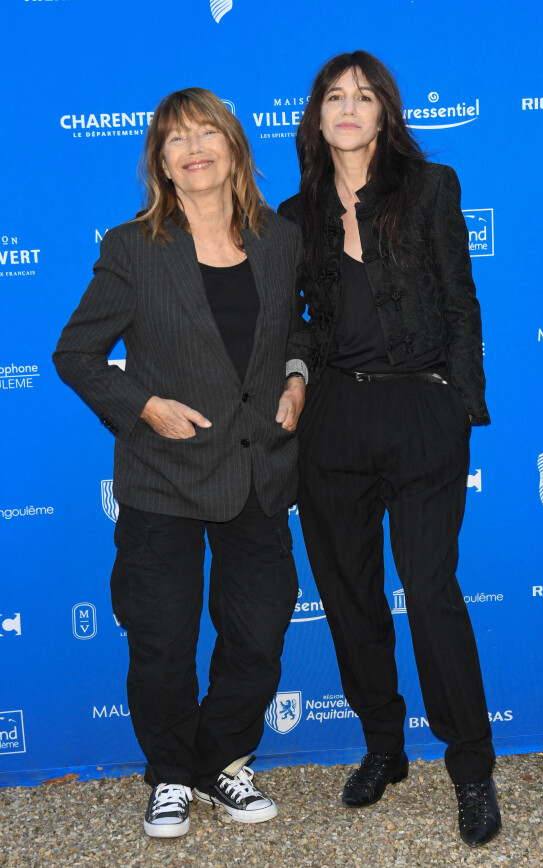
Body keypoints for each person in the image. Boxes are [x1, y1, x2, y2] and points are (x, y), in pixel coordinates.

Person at [54, 87, 309, 838]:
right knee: (162, 638)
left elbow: (299, 328)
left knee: (259, 632)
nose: (194, 148)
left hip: (258, 471)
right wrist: (144, 406)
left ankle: (220, 762)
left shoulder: (281, 237)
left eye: (207, 133)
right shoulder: (133, 248)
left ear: (234, 145)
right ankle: (168, 773)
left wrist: (298, 377)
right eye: (175, 139)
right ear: (160, 162)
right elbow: (76, 353)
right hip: (162, 476)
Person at [278, 51, 501, 848]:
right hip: (333, 416)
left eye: (363, 96)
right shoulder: (295, 212)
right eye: (334, 96)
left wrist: (457, 401)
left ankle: (471, 767)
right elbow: (299, 319)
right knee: (348, 593)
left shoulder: (430, 187)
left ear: (384, 113)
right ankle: (383, 745)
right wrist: (299, 383)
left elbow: (460, 298)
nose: (348, 107)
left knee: (430, 587)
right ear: (316, 115)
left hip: (420, 409)